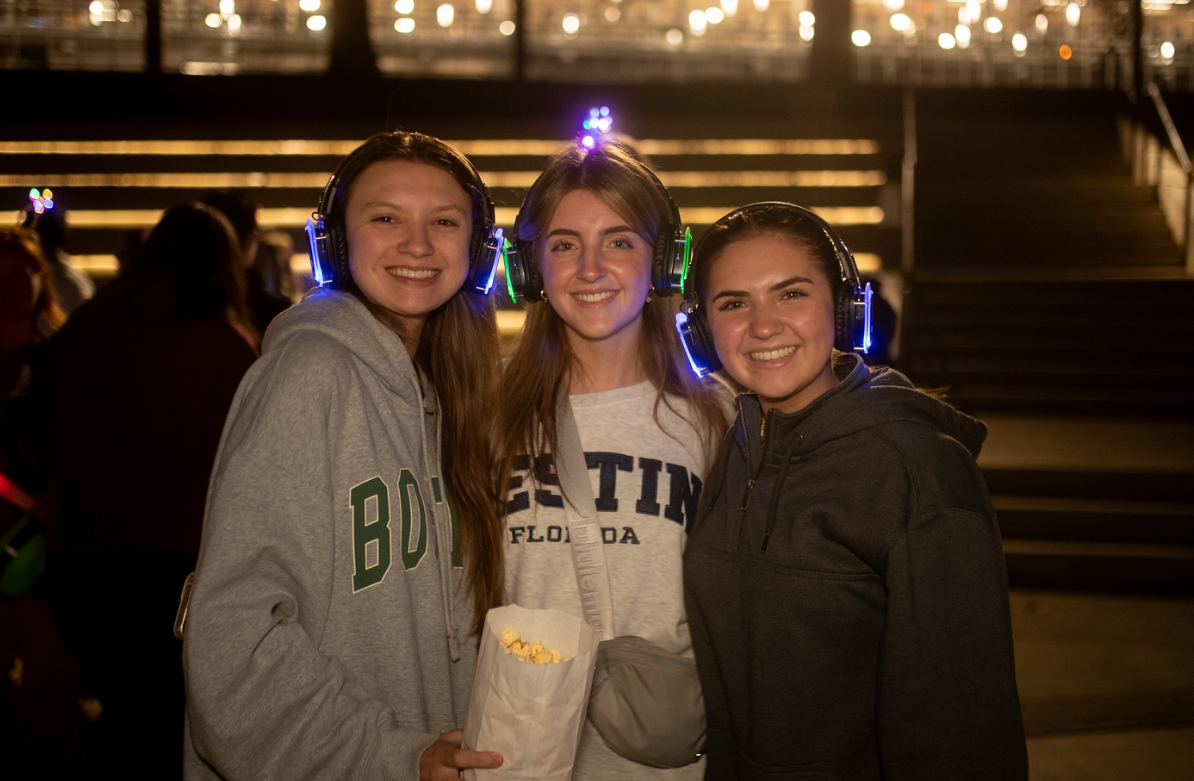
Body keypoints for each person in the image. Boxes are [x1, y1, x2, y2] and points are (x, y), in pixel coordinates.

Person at [182, 132, 506, 780]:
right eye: (385, 218)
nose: (417, 244)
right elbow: (233, 638)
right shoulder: (307, 375)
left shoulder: (448, 393)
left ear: (476, 252)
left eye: (443, 222)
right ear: (332, 242)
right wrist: (387, 752)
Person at [678, 202, 1028, 780]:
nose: (763, 326)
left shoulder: (917, 469)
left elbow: (963, 727)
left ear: (843, 311)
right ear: (702, 329)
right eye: (734, 303)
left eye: (791, 294)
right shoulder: (728, 448)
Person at [499, 140, 729, 781]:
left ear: (662, 263)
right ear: (532, 267)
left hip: (662, 757)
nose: (591, 267)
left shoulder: (716, 418)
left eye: (620, 241)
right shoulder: (482, 416)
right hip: (514, 751)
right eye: (566, 243)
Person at [15, 204, 259, 778]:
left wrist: (78, 487)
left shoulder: (89, 326)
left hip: (80, 562)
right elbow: (251, 466)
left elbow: (30, 434)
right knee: (160, 723)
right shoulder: (223, 346)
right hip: (177, 568)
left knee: (128, 715)